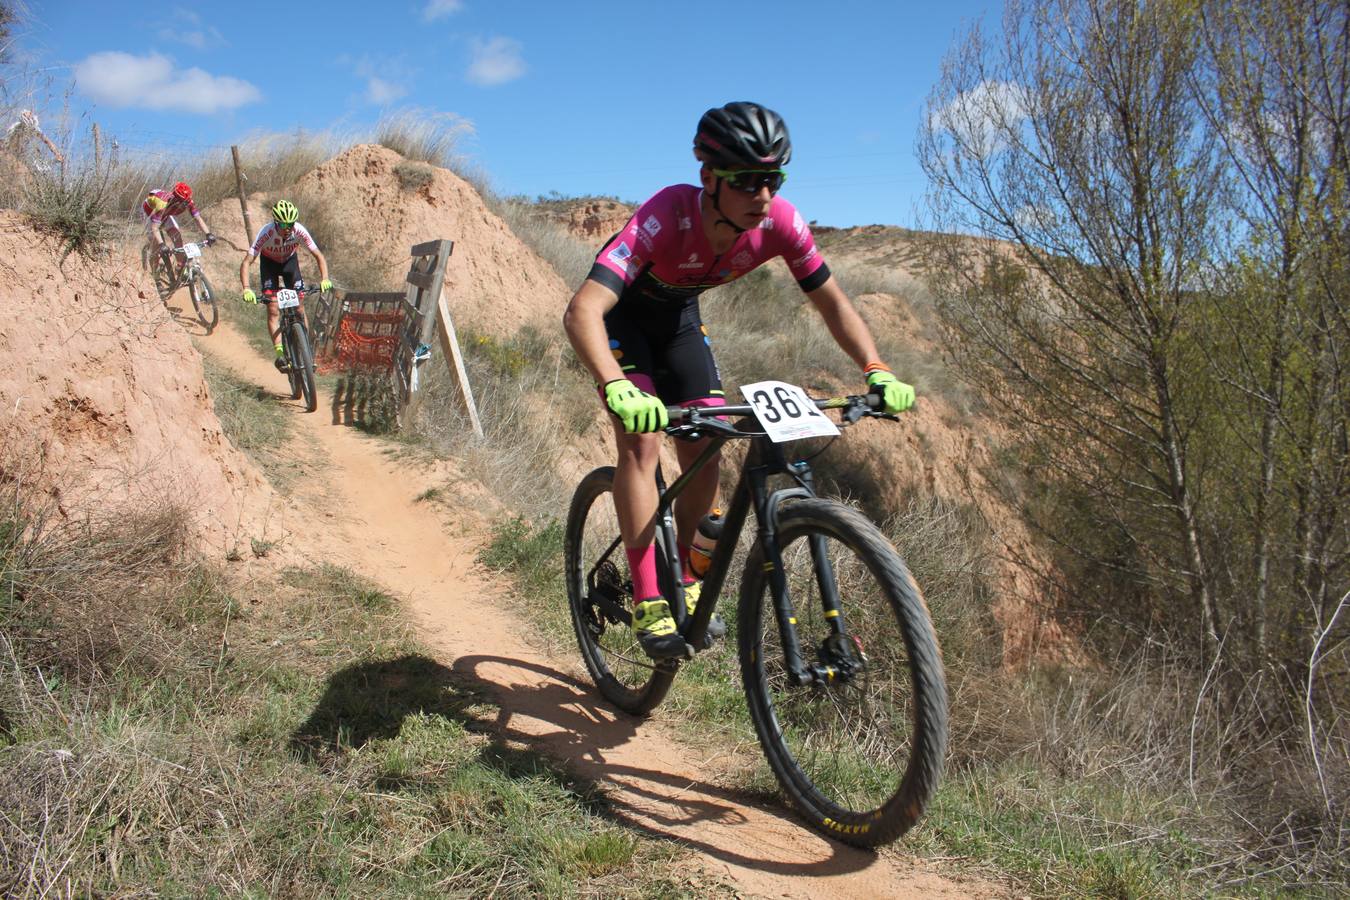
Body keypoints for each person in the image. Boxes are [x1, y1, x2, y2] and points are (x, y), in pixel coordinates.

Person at [562, 101, 916, 659]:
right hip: (620, 318)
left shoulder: (780, 225)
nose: (763, 196)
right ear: (709, 177)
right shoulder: (667, 215)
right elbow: (582, 310)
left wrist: (876, 368)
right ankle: (650, 598)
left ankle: (684, 572)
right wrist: (615, 385)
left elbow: (832, 302)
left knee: (707, 443)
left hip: (678, 322)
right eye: (747, 181)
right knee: (643, 441)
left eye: (772, 180)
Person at [238, 199, 332, 371]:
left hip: (290, 264)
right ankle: (280, 354)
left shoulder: (299, 231)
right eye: (283, 224)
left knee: (299, 308)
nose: (288, 228)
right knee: (273, 308)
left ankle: (306, 349)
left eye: (291, 224)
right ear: (276, 222)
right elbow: (246, 263)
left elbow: (318, 255)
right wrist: (246, 289)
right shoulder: (266, 233)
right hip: (269, 266)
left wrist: (325, 278)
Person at [141, 181, 214, 276]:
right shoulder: (162, 203)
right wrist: (162, 244)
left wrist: (208, 234)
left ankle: (180, 268)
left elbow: (198, 219)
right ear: (175, 200)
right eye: (184, 203)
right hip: (149, 213)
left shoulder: (188, 201)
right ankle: (156, 276)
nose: (187, 205)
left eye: (188, 201)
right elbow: (154, 227)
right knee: (157, 246)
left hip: (167, 214)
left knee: (177, 236)